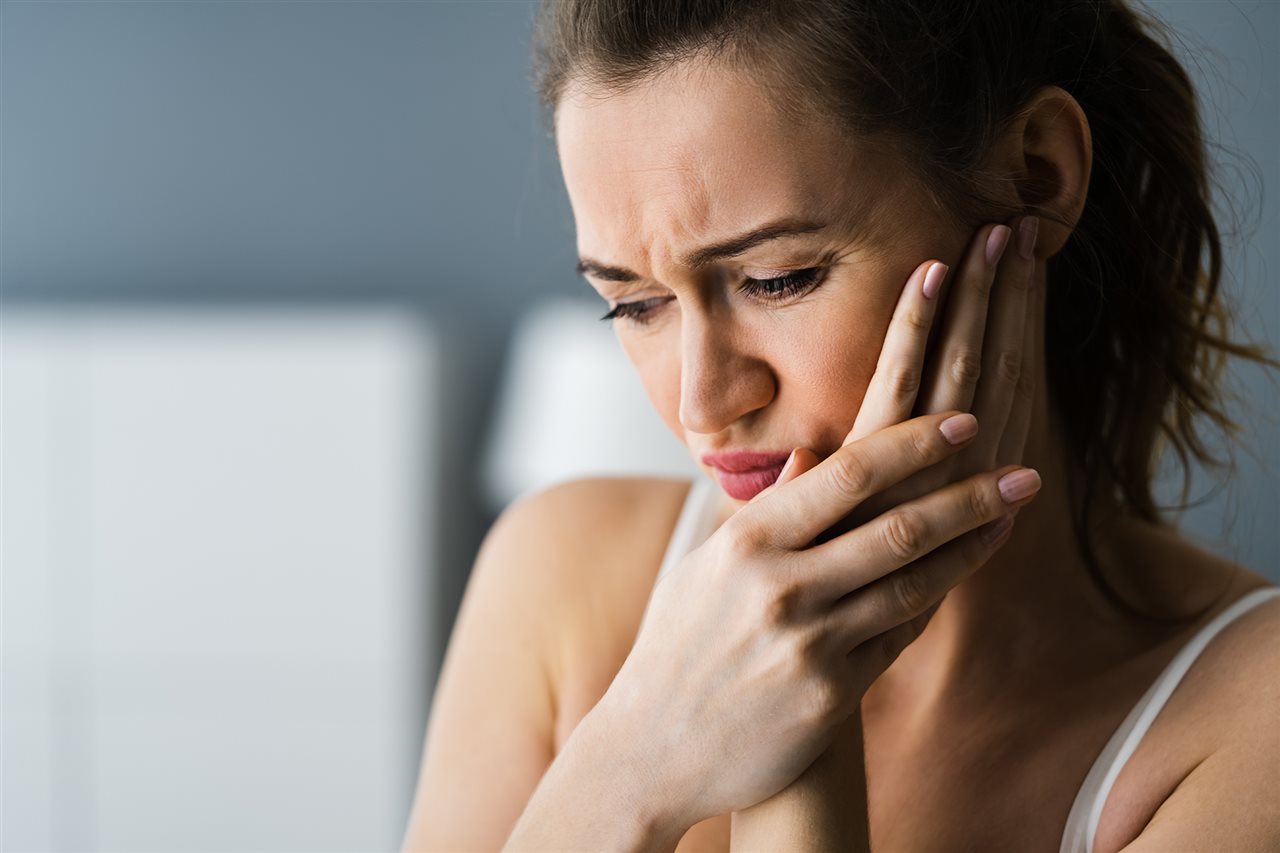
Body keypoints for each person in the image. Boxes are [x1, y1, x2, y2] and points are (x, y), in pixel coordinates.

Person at [401, 1, 1279, 850]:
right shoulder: (558, 581)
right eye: (633, 305)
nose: (703, 402)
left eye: (779, 278)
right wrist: (628, 767)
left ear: (1037, 175)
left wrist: (803, 694)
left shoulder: (1250, 719)